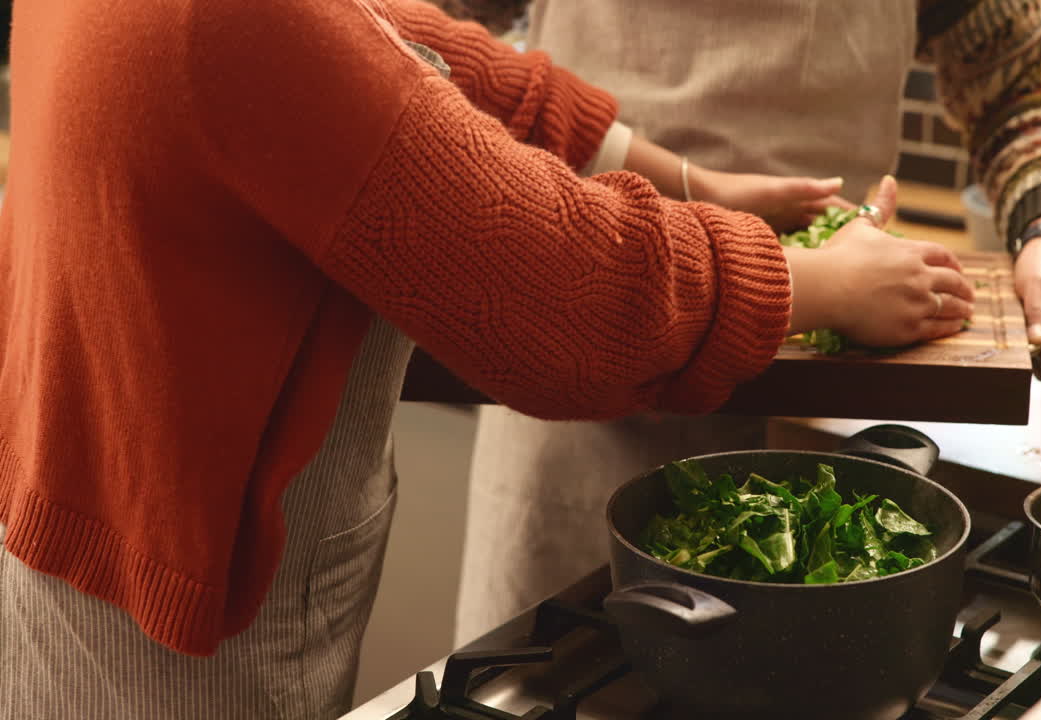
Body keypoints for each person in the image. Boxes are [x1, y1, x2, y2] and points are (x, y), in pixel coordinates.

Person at [0, 0, 976, 718]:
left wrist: (692, 183)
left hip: (87, 566)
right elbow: (555, 284)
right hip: (181, 650)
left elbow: (405, 47)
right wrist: (809, 287)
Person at [454, 0, 1041, 645]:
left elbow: (1023, 71)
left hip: (822, 416)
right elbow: (429, 52)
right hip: (575, 394)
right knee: (551, 669)